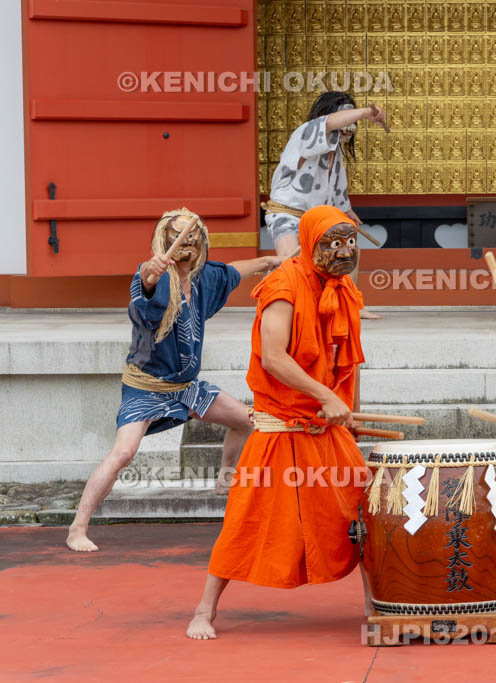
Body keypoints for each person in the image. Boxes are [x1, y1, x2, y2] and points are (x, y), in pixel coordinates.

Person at [187, 206, 369, 639]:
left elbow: (347, 363)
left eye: (350, 241)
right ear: (309, 243)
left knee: (362, 513)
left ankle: (376, 602)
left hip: (326, 428)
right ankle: (203, 610)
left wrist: (348, 410)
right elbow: (273, 357)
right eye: (332, 243)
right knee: (246, 520)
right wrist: (325, 396)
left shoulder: (343, 289)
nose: (343, 251)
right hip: (279, 427)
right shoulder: (284, 285)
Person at [66, 208, 287, 552]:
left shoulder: (203, 279)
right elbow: (144, 284)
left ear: (201, 243)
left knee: (247, 420)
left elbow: (232, 272)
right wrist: (149, 273)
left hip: (186, 387)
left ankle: (225, 482)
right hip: (146, 387)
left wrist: (266, 262)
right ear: (163, 240)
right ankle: (77, 528)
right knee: (123, 452)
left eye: (192, 236)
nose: (186, 243)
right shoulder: (155, 278)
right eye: (177, 236)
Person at [264, 90, 387, 319]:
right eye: (347, 117)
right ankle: (285, 308)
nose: (351, 126)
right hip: (287, 215)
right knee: (290, 263)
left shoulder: (336, 151)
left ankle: (351, 306)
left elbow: (336, 189)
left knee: (347, 247)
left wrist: (345, 211)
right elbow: (328, 124)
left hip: (318, 219)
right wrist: (366, 112)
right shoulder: (306, 133)